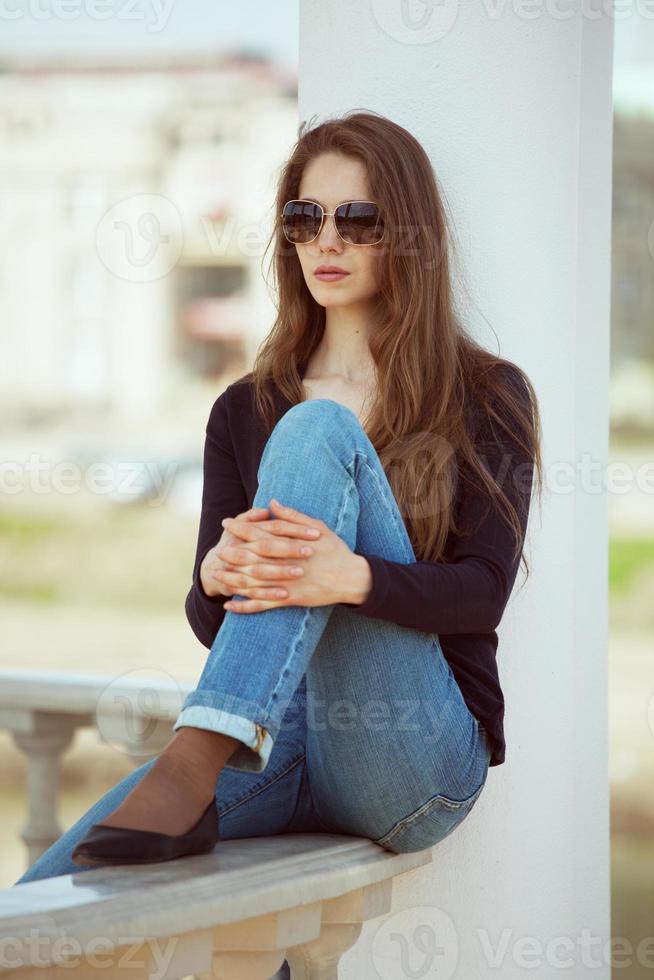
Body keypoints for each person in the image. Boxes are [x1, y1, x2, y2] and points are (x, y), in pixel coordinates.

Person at [14, 110, 542, 902]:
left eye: (358, 219)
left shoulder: (485, 393)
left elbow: (481, 591)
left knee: (317, 428)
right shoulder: (241, 409)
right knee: (50, 897)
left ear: (406, 235)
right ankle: (197, 765)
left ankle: (190, 761)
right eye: (305, 217)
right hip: (277, 741)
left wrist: (352, 578)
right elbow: (211, 625)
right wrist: (219, 579)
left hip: (409, 754)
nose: (326, 241)